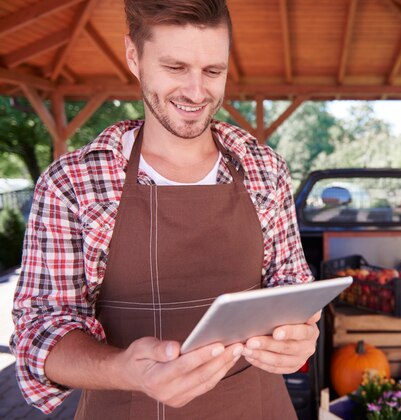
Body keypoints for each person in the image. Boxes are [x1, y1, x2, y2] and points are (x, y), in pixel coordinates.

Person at [10, 0, 316, 418]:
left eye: (213, 71)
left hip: (258, 407)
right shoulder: (73, 183)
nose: (196, 91)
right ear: (134, 57)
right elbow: (39, 330)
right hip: (125, 406)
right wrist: (124, 369)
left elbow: (292, 284)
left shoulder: (265, 169)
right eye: (175, 68)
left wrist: (298, 335)